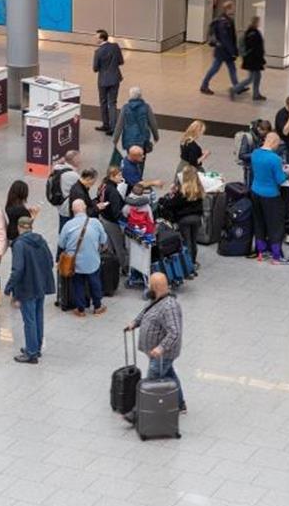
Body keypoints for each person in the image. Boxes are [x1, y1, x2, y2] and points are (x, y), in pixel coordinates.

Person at [122, 272, 187, 417]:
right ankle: (180, 404)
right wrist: (135, 322)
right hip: (155, 353)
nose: (148, 287)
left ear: (155, 287)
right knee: (170, 375)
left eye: (150, 284)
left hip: (163, 355)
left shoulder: (169, 307)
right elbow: (146, 312)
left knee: (150, 382)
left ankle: (137, 413)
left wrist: (161, 348)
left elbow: (175, 332)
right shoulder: (156, 299)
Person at [4, 215, 55, 364]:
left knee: (29, 320)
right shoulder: (41, 240)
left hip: (27, 288)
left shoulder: (19, 244)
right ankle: (36, 347)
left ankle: (31, 353)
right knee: (38, 316)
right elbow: (50, 261)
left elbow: (17, 269)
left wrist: (9, 287)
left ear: (19, 228)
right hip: (41, 286)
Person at [58, 199, 109, 317]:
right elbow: (103, 240)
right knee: (95, 282)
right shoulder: (95, 223)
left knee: (78, 284)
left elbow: (61, 244)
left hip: (74, 263)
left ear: (72, 210)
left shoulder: (67, 225)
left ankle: (80, 309)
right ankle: (97, 306)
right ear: (85, 208)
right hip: (92, 260)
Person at [250, 132, 289, 264]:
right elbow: (280, 180)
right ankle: (276, 256)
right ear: (274, 142)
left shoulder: (255, 153)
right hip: (270, 195)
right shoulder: (275, 159)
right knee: (275, 226)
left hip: (255, 191)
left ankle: (261, 252)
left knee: (259, 223)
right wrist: (288, 173)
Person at [158, 166, 204, 270]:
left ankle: (188, 264)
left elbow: (171, 204)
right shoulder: (199, 189)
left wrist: (168, 196)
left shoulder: (183, 192)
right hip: (196, 218)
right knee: (193, 240)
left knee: (187, 241)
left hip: (184, 219)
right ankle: (193, 261)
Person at [110, 87, 160, 168]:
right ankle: (138, 176)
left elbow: (119, 125)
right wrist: (156, 136)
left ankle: (131, 175)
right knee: (141, 159)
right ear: (140, 96)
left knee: (131, 159)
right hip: (142, 139)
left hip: (129, 139)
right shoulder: (146, 107)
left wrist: (115, 139)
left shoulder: (125, 108)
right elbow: (153, 123)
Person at [199, 1, 240, 95]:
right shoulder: (224, 22)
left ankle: (237, 87)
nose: (234, 9)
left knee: (232, 69)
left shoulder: (227, 20)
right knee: (214, 69)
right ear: (228, 9)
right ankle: (204, 86)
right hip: (223, 51)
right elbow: (226, 39)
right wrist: (233, 51)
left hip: (224, 50)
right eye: (233, 7)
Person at [96, 167, 128, 273]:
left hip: (103, 218)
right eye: (119, 175)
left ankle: (111, 266)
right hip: (111, 222)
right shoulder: (113, 191)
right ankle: (124, 267)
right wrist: (126, 221)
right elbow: (116, 212)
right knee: (119, 245)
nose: (121, 177)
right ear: (112, 176)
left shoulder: (103, 185)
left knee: (109, 245)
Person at [92, 29, 124, 133]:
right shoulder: (115, 47)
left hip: (103, 81)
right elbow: (121, 61)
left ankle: (106, 124)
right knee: (113, 103)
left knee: (103, 102)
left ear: (101, 38)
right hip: (115, 79)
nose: (94, 39)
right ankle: (113, 127)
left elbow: (95, 68)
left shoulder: (98, 52)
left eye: (96, 37)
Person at [230, 16, 266, 101]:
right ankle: (235, 89)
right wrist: (262, 60)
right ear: (256, 23)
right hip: (253, 60)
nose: (259, 23)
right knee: (251, 78)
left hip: (251, 59)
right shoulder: (253, 34)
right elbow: (256, 49)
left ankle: (256, 94)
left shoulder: (250, 32)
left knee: (256, 77)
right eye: (258, 22)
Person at [55, 150, 83, 231]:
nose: (80, 161)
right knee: (67, 227)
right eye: (78, 158)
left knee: (62, 225)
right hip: (68, 207)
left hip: (59, 203)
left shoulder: (57, 168)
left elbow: (55, 165)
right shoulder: (73, 175)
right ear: (74, 160)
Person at [4, 180, 38, 245]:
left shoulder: (9, 205)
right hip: (20, 236)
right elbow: (27, 223)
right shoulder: (21, 209)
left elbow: (16, 214)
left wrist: (27, 210)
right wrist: (34, 214)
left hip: (11, 233)